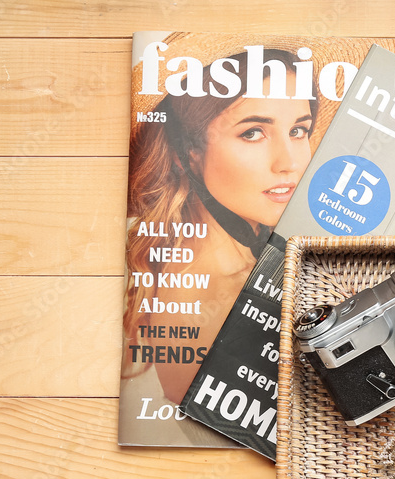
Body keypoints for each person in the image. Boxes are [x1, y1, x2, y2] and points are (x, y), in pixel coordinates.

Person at [120, 45, 317, 442]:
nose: (290, 162)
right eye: (253, 132)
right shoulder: (208, 300)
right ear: (189, 154)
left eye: (298, 129)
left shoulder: (250, 256)